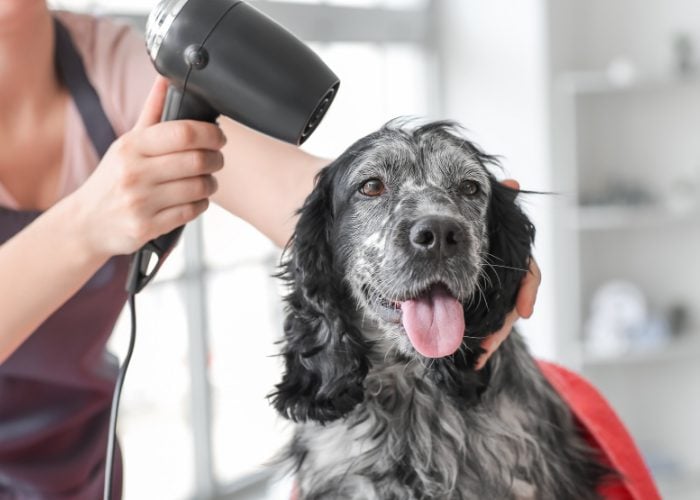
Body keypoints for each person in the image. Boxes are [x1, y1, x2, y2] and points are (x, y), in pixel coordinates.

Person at [0, 1, 541, 498]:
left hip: (80, 457)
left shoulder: (114, 63)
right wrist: (84, 224)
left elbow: (307, 205)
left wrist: (463, 231)